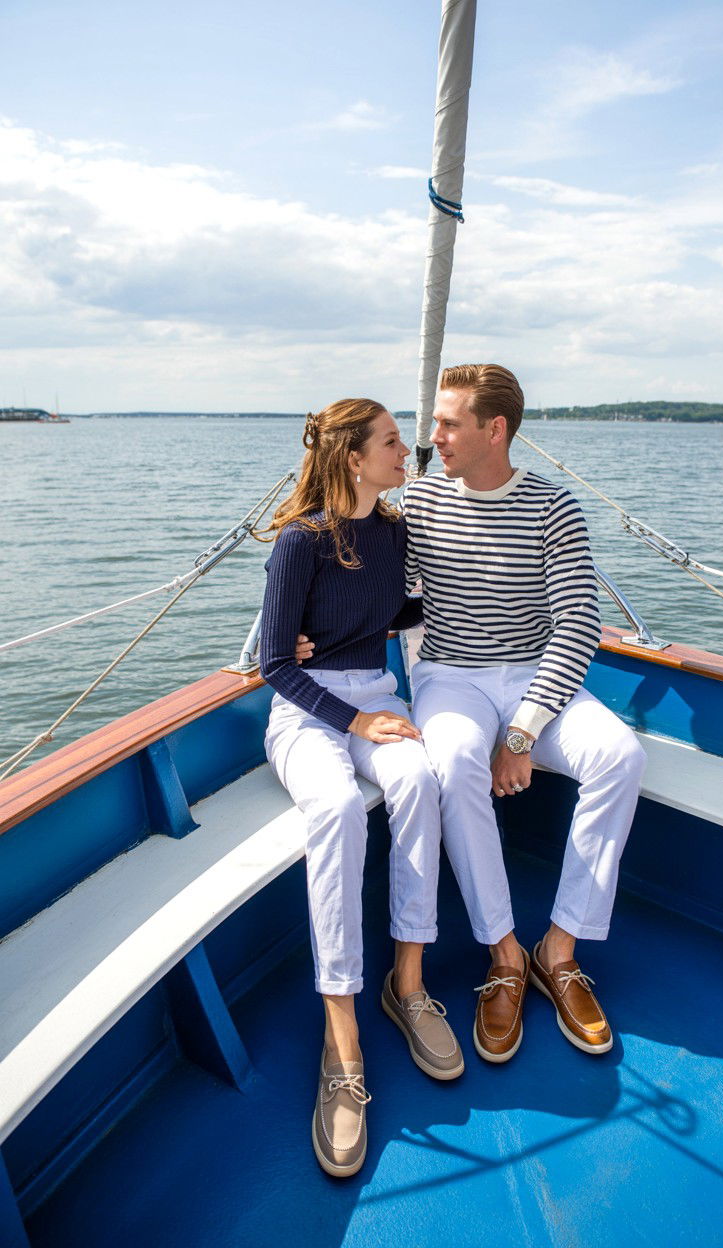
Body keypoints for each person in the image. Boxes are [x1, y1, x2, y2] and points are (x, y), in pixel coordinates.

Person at [400, 364, 647, 1064]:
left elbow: (576, 624)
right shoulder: (419, 503)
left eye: (449, 423)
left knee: (621, 756)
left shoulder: (553, 508)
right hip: (452, 674)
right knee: (450, 761)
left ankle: (558, 948)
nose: (435, 436)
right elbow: (387, 594)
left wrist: (522, 735)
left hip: (537, 674)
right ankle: (504, 955)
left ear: (494, 429)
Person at [259, 398, 462, 1181]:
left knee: (421, 780)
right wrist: (352, 721)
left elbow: (401, 607)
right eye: (392, 443)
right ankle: (339, 1032)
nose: (407, 452)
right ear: (353, 457)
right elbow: (277, 663)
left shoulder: (395, 532)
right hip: (308, 711)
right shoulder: (299, 542)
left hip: (377, 695)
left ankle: (405, 984)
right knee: (340, 808)